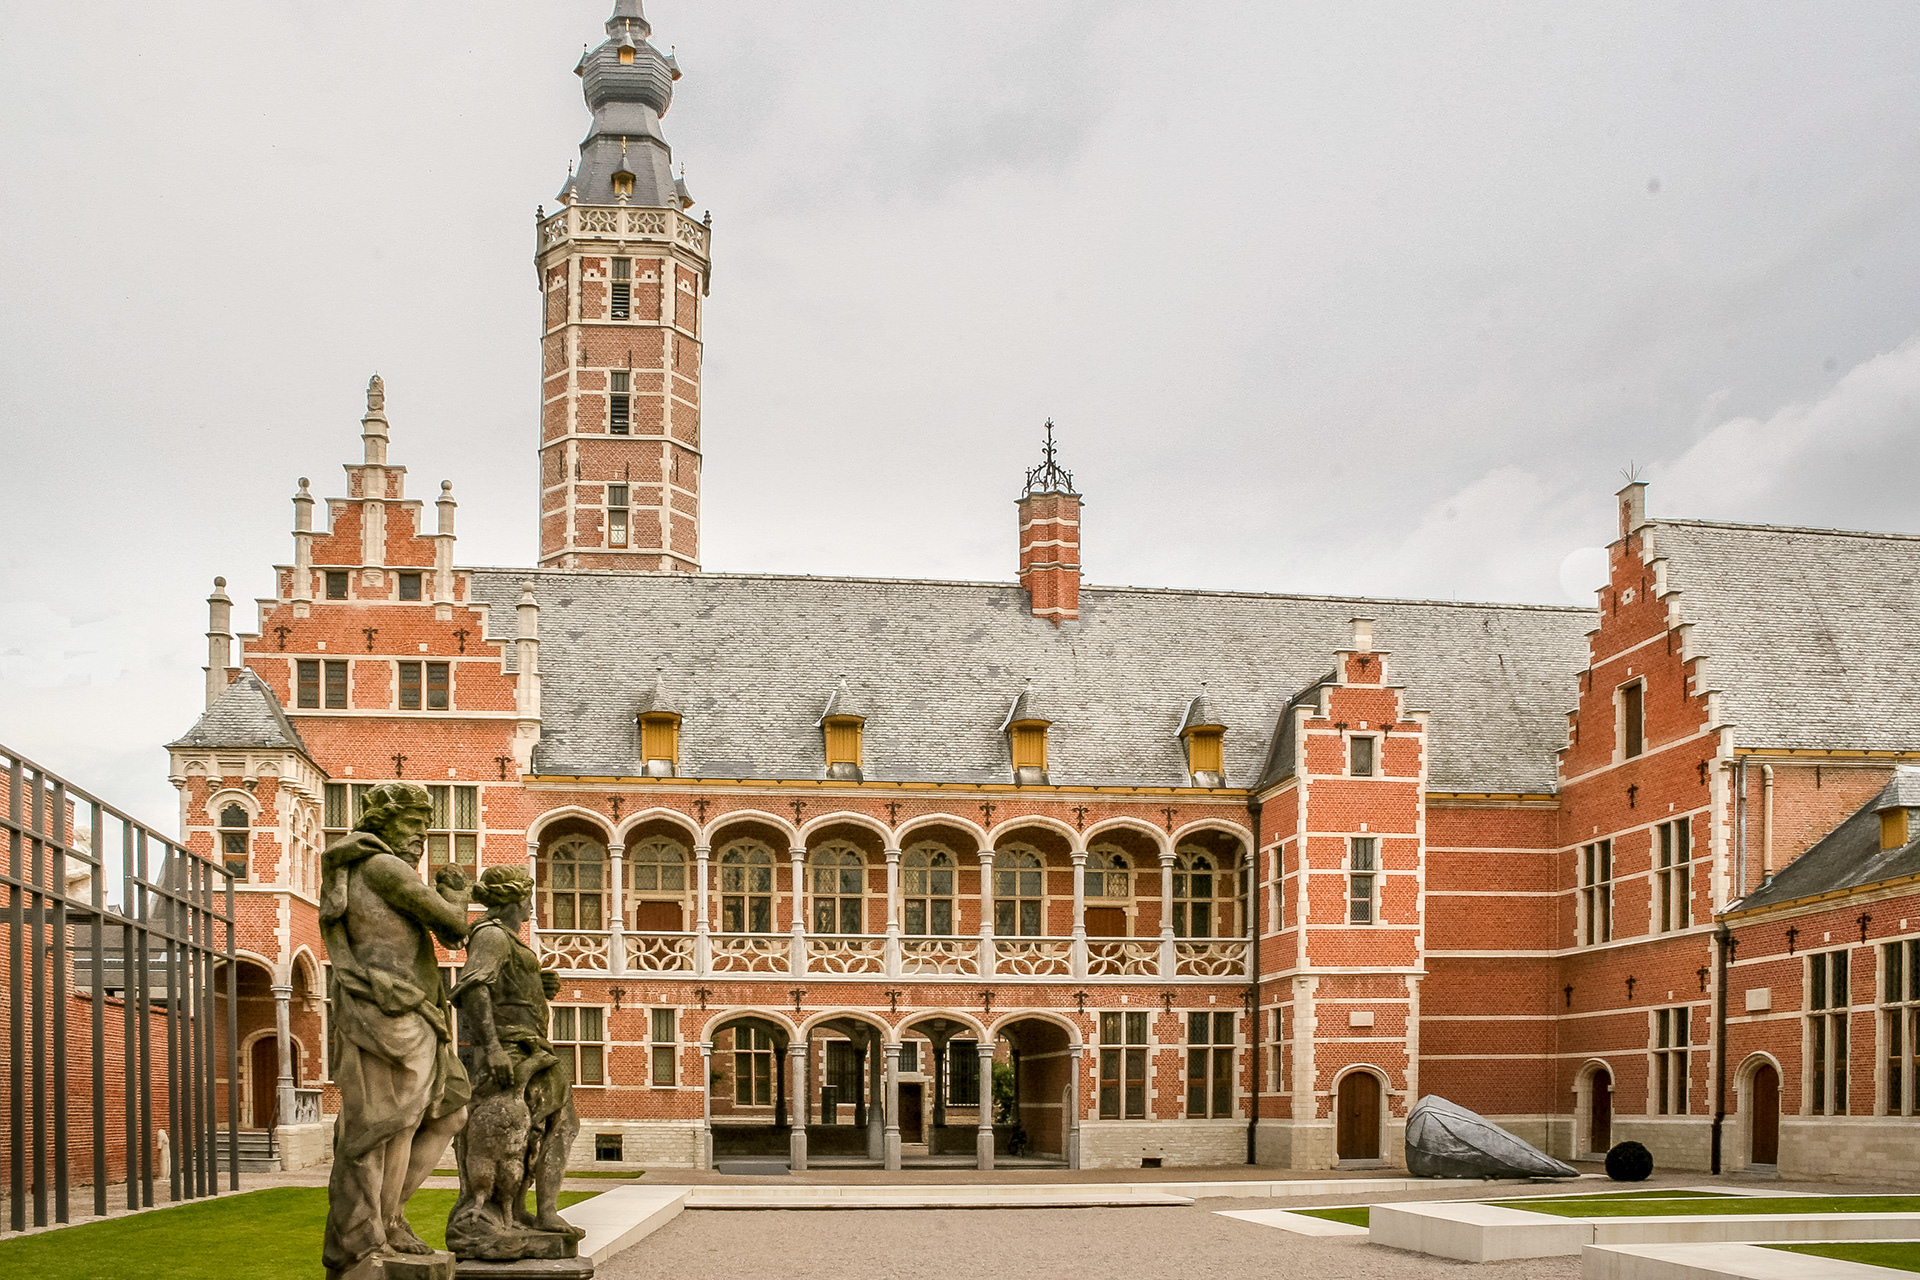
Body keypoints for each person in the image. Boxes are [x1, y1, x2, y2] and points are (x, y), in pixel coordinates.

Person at [319, 782, 473, 1279]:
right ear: (383, 823)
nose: (421, 837)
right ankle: (373, 1233)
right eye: (413, 824)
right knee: (392, 1123)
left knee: (446, 1113)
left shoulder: (367, 865)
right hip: (389, 1009)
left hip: (407, 1007)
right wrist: (456, 893)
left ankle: (389, 1218)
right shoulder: (382, 866)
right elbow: (453, 926)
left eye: (426, 827)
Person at [446, 866, 584, 1260]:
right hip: (513, 1050)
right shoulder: (491, 935)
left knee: (538, 1134)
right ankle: (534, 1212)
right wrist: (491, 1048)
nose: (531, 905)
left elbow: (504, 989)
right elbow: (475, 988)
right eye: (527, 897)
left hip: (529, 1048)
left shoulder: (504, 938)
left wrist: (538, 986)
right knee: (542, 1130)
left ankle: (526, 1211)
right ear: (515, 899)